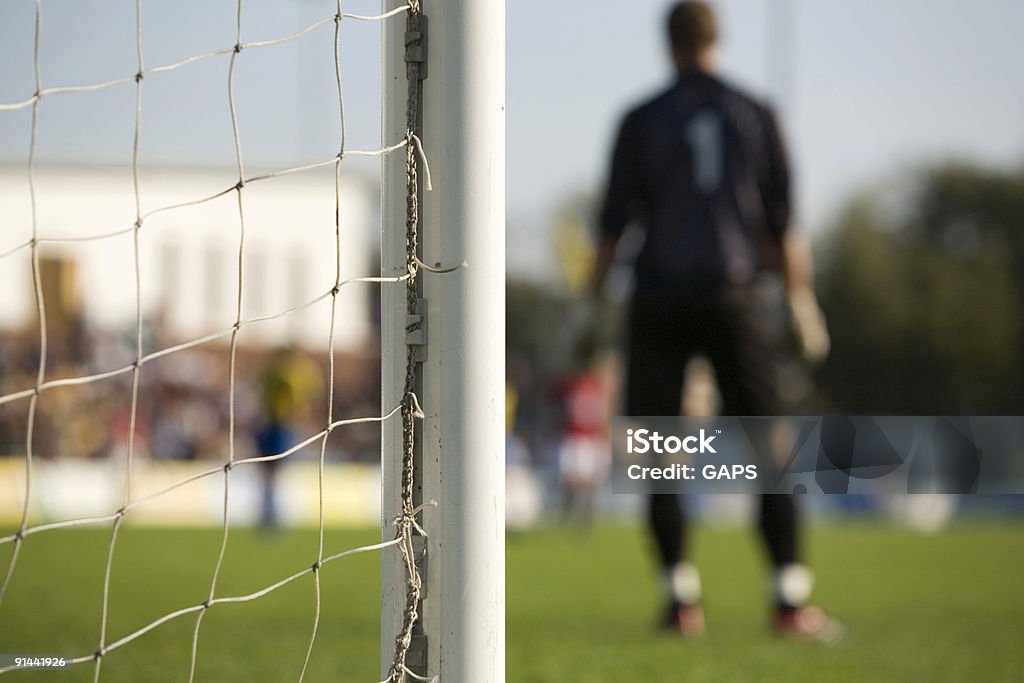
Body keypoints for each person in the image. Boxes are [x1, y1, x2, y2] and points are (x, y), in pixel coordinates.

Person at [587, 1, 840, 642]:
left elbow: (613, 230)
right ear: (717, 39)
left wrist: (589, 308)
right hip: (735, 296)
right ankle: (789, 602)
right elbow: (785, 227)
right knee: (770, 451)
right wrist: (801, 300)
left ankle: (680, 601)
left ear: (665, 42)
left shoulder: (640, 119)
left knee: (660, 455)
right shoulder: (755, 114)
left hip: (659, 297)